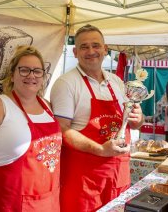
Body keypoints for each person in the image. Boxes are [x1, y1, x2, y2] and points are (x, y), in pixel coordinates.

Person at [50, 24, 144, 211]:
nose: (91, 51)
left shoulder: (116, 82)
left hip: (118, 174)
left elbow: (134, 123)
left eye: (96, 45)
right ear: (75, 52)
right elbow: (61, 129)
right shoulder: (66, 83)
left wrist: (139, 118)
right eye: (84, 47)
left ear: (105, 49)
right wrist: (101, 149)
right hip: (84, 180)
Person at [0, 45, 62, 212]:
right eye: (24, 70)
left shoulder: (49, 107)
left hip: (48, 204)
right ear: (12, 75)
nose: (31, 75)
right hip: (5, 205)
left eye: (37, 71)